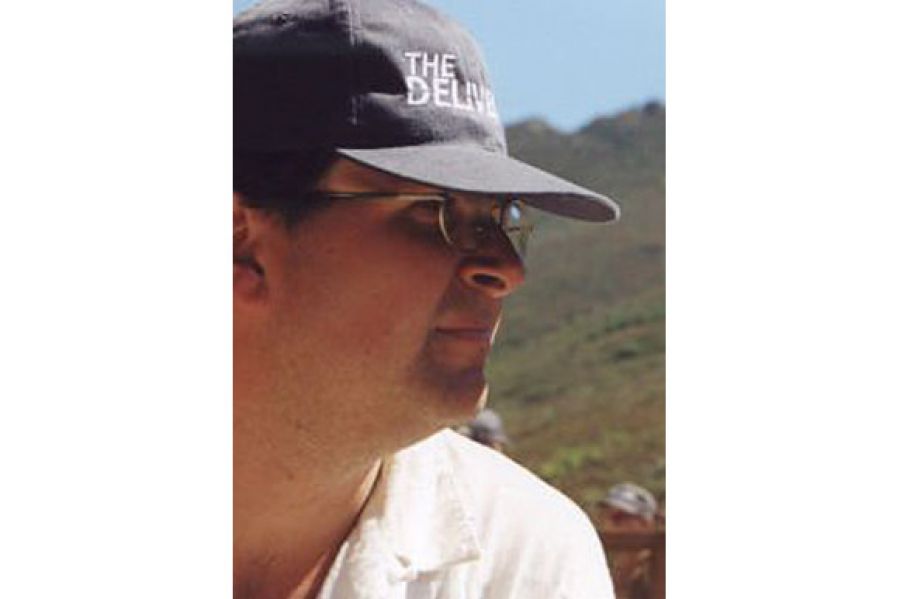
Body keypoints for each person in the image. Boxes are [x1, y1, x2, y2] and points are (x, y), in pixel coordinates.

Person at [233, 0, 621, 597]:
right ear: (240, 240)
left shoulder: (528, 559)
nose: (507, 269)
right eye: (435, 209)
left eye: (502, 218)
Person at [599, 483, 661, 599]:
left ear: (645, 523)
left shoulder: (658, 570)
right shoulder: (601, 565)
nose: (608, 525)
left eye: (618, 517)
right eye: (605, 516)